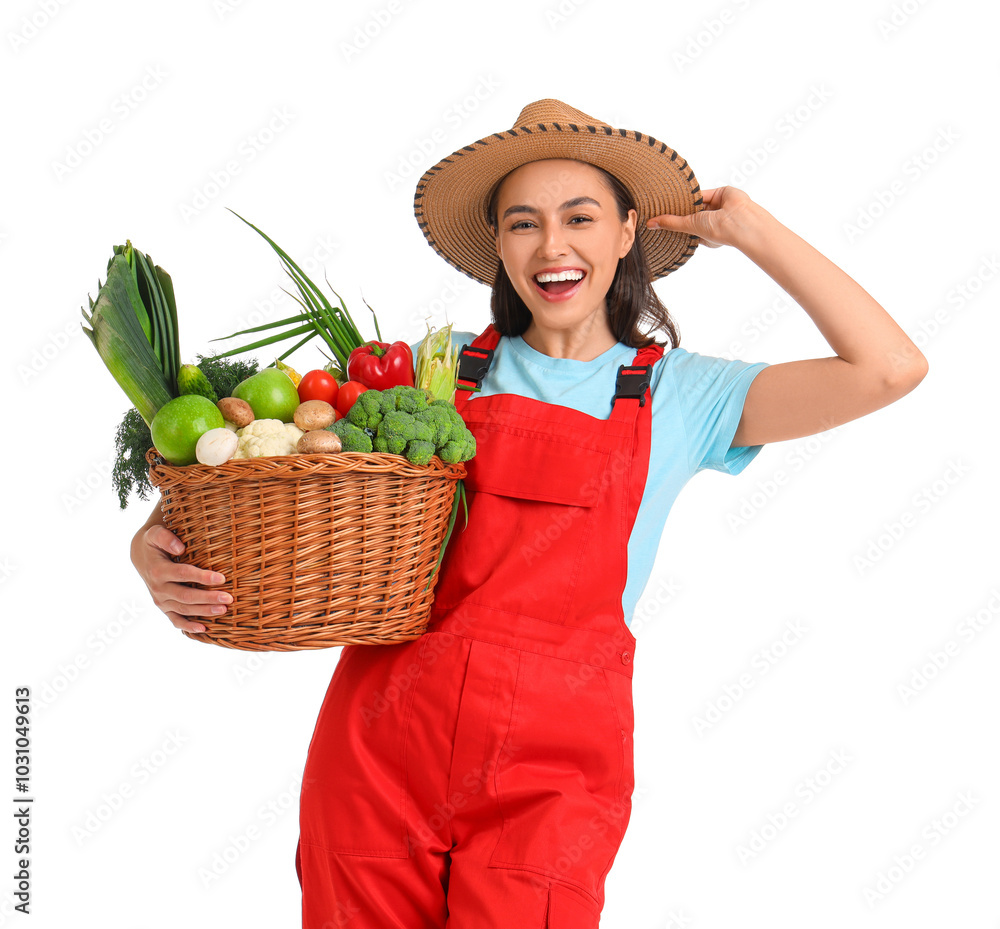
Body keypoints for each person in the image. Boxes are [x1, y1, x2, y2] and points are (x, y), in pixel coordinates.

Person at [129, 98, 928, 927]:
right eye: (523, 224)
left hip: (551, 773)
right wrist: (150, 543)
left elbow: (890, 367)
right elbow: (279, 487)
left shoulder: (681, 393)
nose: (553, 246)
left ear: (626, 234)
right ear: (499, 248)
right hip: (378, 747)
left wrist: (755, 232)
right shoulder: (425, 378)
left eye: (580, 217)